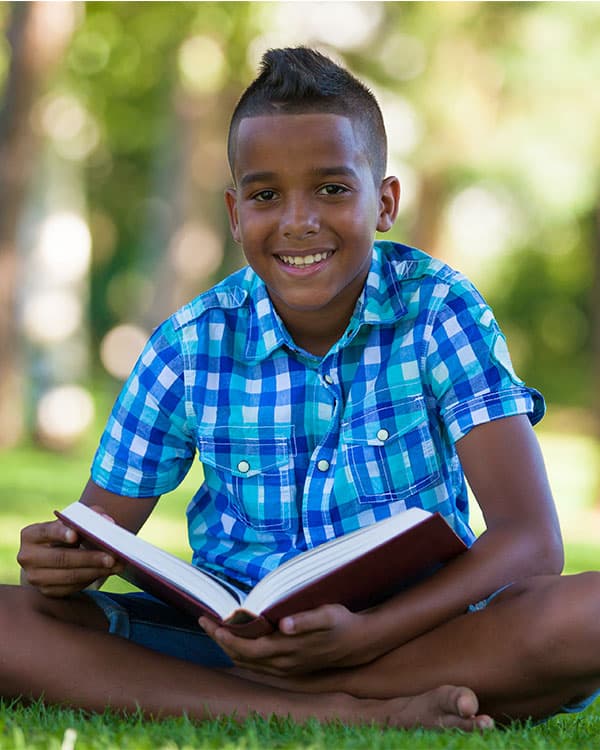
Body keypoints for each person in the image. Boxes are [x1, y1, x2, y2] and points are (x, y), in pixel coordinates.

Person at [1, 46, 598, 731]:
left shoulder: (439, 310)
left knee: (586, 616)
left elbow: (531, 540)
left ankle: (329, 696)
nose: (298, 221)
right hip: (233, 647)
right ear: (234, 214)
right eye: (265, 195)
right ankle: (341, 712)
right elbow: (96, 546)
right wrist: (56, 562)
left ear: (385, 202)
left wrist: (368, 635)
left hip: (413, 637)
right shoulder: (188, 345)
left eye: (333, 189)